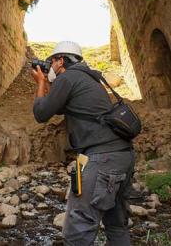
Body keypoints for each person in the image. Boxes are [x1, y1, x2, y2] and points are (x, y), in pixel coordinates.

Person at [31, 41, 135, 245]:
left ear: (61, 61)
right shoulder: (88, 78)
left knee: (77, 232)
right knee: (116, 224)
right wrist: (50, 82)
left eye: (51, 62)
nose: (50, 67)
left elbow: (41, 113)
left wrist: (41, 83)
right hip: (123, 156)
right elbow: (60, 107)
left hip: (101, 159)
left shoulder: (68, 77)